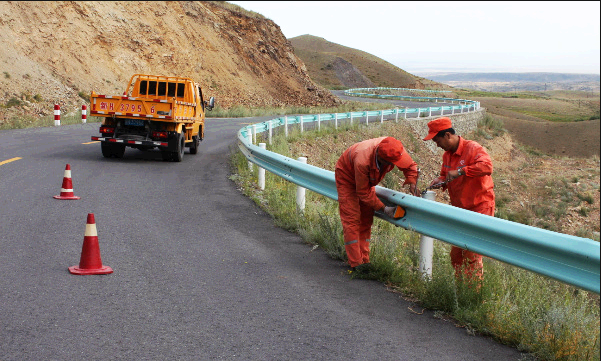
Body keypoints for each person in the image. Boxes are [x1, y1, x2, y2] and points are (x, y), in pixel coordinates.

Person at [423, 117, 495, 281]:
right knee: (457, 255)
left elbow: (487, 166)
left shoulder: (473, 148)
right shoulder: (447, 156)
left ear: (447, 135)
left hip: (479, 208)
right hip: (460, 210)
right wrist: (439, 181)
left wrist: (461, 171)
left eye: (437, 140)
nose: (436, 144)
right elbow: (445, 175)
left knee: (471, 256)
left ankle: (472, 297)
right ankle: (460, 290)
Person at [335, 136, 419, 273]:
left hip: (365, 179)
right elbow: (363, 193)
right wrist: (384, 208)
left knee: (366, 218)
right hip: (347, 178)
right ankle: (356, 263)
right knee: (352, 219)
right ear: (382, 160)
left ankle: (365, 260)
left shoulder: (394, 148)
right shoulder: (363, 161)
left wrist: (412, 180)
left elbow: (410, 166)